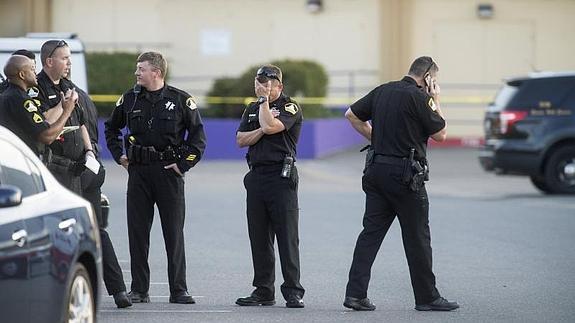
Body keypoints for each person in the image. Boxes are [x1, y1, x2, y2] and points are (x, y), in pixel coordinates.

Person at [342, 56, 459, 312]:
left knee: (370, 234)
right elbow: (441, 134)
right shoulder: (420, 98)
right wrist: (436, 100)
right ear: (427, 77)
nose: (435, 85)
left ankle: (355, 294)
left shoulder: (383, 90)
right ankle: (427, 298)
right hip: (405, 176)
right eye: (434, 81)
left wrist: (377, 138)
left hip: (376, 171)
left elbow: (351, 114)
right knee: (417, 238)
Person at [105, 51, 206, 304]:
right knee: (138, 232)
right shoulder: (129, 99)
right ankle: (139, 289)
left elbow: (198, 140)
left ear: (156, 73)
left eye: (141, 69)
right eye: (137, 69)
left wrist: (183, 165)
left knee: (173, 232)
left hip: (168, 173)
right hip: (138, 172)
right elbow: (111, 128)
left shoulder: (181, 100)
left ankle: (178, 289)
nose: (137, 73)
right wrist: (119, 156)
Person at [235, 65, 305, 308]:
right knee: (259, 237)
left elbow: (273, 127)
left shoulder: (289, 106)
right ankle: (263, 290)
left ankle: (293, 291)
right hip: (256, 176)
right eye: (258, 81)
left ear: (279, 86)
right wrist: (262, 127)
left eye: (267, 82)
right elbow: (241, 140)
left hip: (281, 177)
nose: (261, 85)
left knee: (287, 236)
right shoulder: (251, 108)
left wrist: (265, 104)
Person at [73, 81, 132, 308]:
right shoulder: (80, 93)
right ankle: (118, 290)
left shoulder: (61, 95)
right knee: (97, 231)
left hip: (71, 171)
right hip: (91, 166)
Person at [36, 40, 93, 194]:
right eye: (64, 58)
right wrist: (63, 105)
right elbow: (44, 120)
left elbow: (80, 123)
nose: (69, 63)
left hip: (74, 170)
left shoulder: (67, 85)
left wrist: (89, 150)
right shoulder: (37, 87)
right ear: (49, 61)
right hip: (53, 167)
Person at [0, 54, 77, 156]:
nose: (35, 73)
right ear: (22, 75)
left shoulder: (8, 95)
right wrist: (67, 111)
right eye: (32, 69)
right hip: (21, 161)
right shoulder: (21, 100)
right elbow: (46, 136)